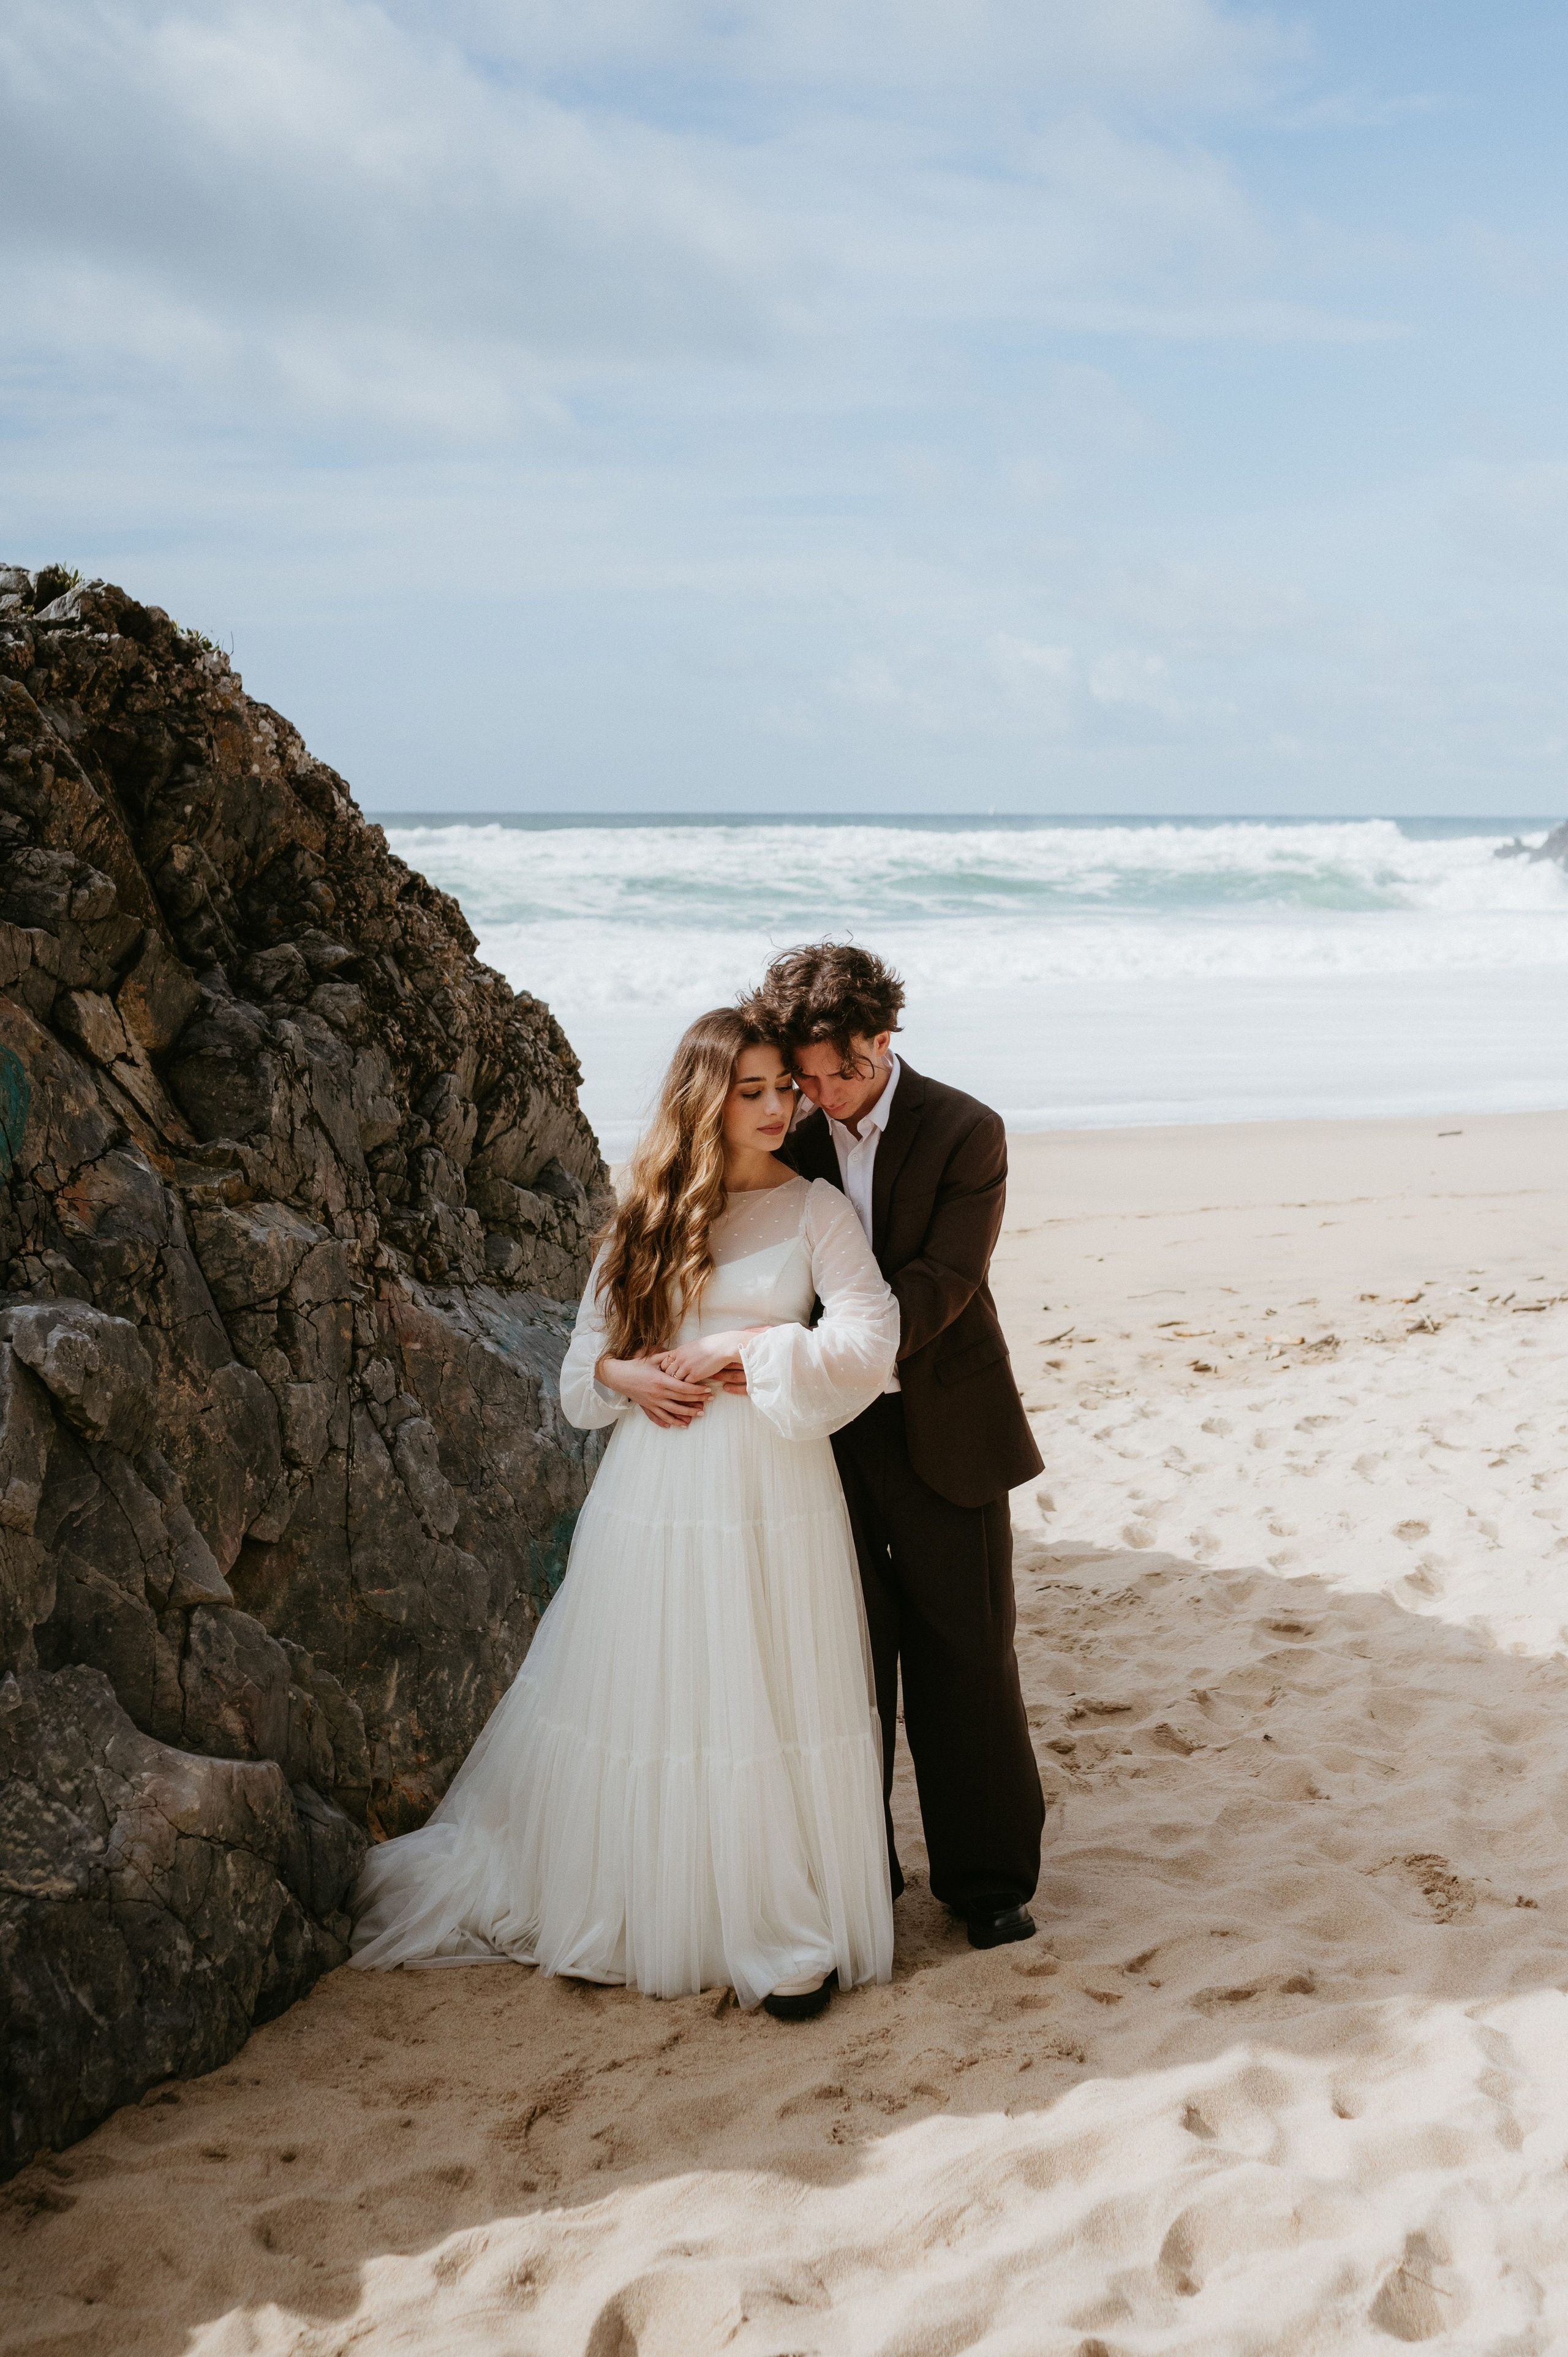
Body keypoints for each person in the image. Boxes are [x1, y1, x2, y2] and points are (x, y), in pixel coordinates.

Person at [350, 1008, 900, 2021]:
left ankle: (779, 1931)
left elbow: (872, 1342)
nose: (782, 1107)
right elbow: (576, 1380)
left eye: (787, 1087)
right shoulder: (645, 1213)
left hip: (773, 1488)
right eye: (756, 1091)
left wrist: (746, 1352)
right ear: (708, 1098)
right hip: (656, 1491)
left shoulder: (817, 1209)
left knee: (762, 1693)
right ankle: (645, 1907)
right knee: (668, 1692)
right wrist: (630, 1374)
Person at [746, 943, 1046, 1950]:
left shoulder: (968, 1131)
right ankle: (859, 1874)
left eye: (840, 1072)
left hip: (944, 1420)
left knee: (968, 1655)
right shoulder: (790, 1134)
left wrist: (827, 1353)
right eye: (805, 1077)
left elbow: (943, 1284)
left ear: (885, 1039)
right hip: (823, 1433)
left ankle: (989, 1883)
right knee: (847, 1659)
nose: (821, 1096)